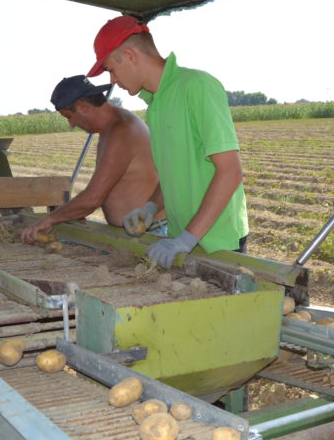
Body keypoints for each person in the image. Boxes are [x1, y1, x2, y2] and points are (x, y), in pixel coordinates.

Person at [87, 15, 249, 269]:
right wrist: (150, 208)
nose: (113, 81)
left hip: (218, 245)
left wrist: (187, 239)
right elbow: (174, 174)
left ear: (129, 55)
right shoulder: (155, 105)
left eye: (111, 69)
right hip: (182, 240)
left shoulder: (197, 86)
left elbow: (230, 172)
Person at [21, 75, 161, 243]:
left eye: (69, 117)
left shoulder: (121, 130)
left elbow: (94, 198)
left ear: (83, 107)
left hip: (151, 233)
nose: (71, 124)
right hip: (137, 232)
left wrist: (49, 219)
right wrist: (73, 211)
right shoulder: (112, 128)